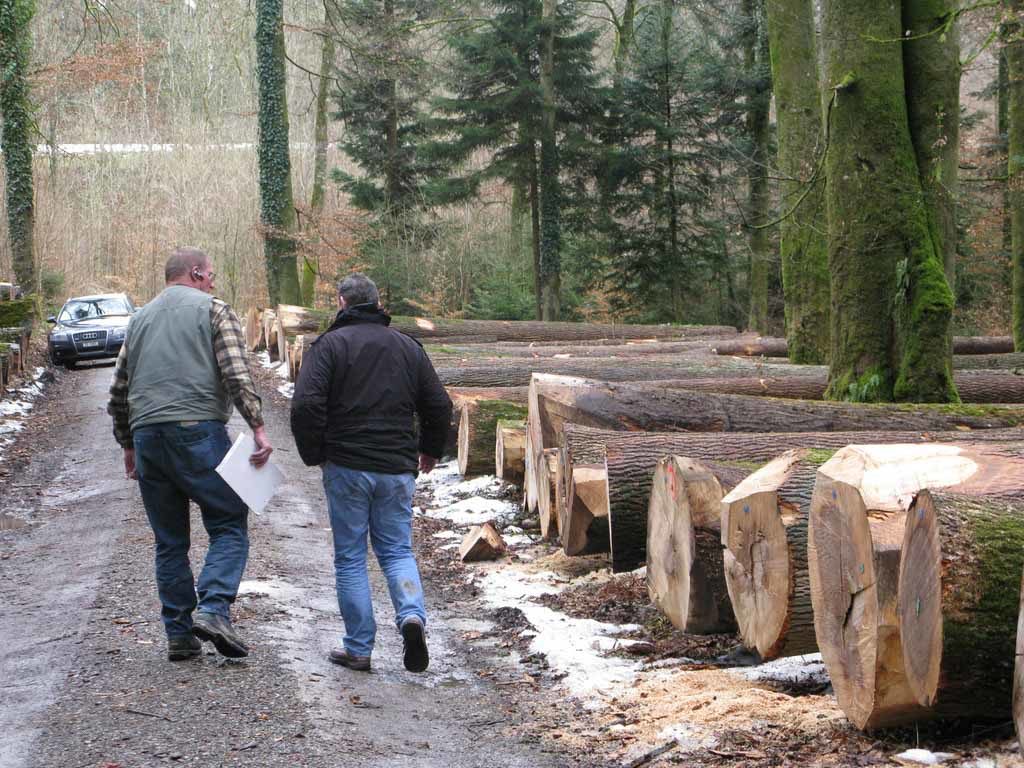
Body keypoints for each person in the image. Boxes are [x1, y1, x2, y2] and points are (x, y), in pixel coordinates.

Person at [107, 247, 272, 661]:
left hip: (148, 438)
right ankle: (213, 609)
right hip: (197, 431)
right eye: (210, 274)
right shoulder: (214, 310)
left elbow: (119, 390)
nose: (213, 282)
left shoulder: (138, 320)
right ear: (196, 273)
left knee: (169, 542)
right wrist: (257, 426)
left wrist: (128, 443)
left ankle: (179, 635)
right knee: (229, 520)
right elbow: (236, 373)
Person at [290, 273, 452, 673]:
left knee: (350, 558)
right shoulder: (407, 347)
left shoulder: (329, 346)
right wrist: (430, 449)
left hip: (346, 466)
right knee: (397, 550)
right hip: (396, 468)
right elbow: (439, 404)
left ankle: (359, 648)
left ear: (342, 302)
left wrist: (315, 453)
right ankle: (411, 615)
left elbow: (306, 405)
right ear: (378, 304)